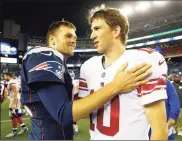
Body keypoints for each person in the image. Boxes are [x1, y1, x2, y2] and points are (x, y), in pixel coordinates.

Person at [20, 20, 152, 140]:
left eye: (75, 37)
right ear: (52, 40)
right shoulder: (43, 54)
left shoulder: (61, 66)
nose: (73, 40)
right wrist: (116, 86)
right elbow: (64, 114)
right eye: (68, 36)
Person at [78, 7, 168, 140]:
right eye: (92, 30)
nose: (92, 35)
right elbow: (80, 112)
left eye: (97, 29)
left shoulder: (142, 61)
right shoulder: (88, 67)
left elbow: (159, 129)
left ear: (115, 31)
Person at [4, 72, 28, 137]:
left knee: (13, 116)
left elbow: (15, 91)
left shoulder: (12, 81)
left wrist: (14, 103)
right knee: (16, 114)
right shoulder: (13, 81)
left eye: (5, 76)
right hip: (15, 99)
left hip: (15, 99)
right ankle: (24, 127)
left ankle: (14, 132)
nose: (4, 77)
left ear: (7, 76)